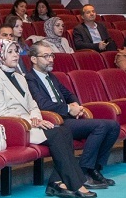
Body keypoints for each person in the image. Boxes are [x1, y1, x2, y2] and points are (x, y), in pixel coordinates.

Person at [0, 40, 96, 198]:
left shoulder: (20, 77)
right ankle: (76, 184)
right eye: (10, 52)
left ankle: (57, 182)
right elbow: (2, 115)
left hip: (30, 124)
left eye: (16, 51)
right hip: (14, 129)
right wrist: (31, 121)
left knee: (64, 131)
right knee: (57, 134)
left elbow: (33, 104)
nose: (15, 55)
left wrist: (36, 117)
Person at [25, 42, 119, 188]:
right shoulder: (30, 79)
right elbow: (42, 104)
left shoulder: (51, 76)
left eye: (52, 55)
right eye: (46, 56)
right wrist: (69, 109)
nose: (51, 59)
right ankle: (83, 172)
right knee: (100, 126)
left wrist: (75, 105)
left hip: (67, 118)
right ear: (34, 59)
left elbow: (69, 94)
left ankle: (94, 169)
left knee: (113, 126)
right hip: (55, 121)